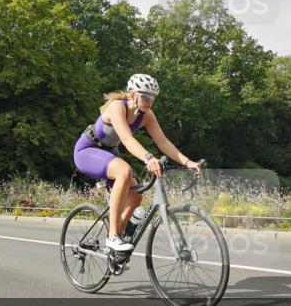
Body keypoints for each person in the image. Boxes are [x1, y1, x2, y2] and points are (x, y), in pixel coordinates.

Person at [73, 74, 202, 252]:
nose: (150, 101)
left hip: (109, 154)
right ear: (133, 94)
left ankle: (115, 243)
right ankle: (112, 237)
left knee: (136, 196)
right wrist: (148, 158)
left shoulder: (147, 116)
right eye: (146, 97)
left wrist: (188, 162)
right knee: (125, 171)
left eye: (153, 98)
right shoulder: (117, 107)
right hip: (87, 151)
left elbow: (163, 142)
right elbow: (126, 139)